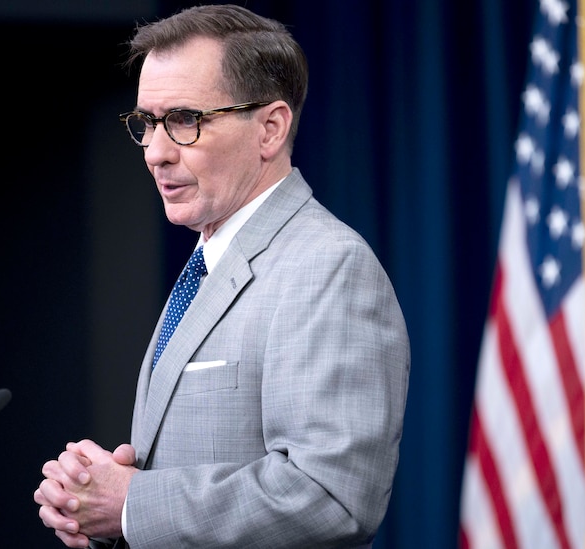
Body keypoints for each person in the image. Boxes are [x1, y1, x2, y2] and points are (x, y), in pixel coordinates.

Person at [33, 4, 410, 548]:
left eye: (185, 120)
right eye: (146, 123)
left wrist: (131, 504)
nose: (156, 154)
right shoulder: (211, 258)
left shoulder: (326, 266)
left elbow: (331, 496)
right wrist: (97, 507)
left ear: (270, 129)